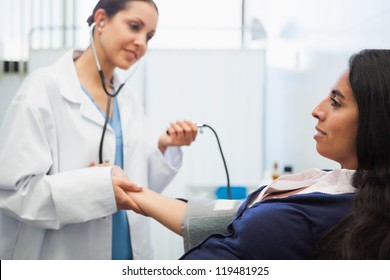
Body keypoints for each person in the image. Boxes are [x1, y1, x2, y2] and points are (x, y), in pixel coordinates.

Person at [122, 49, 390, 259]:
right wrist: (133, 194)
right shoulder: (327, 183)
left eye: (335, 102)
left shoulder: (355, 216)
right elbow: (218, 217)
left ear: (376, 121)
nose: (317, 110)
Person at [0, 0, 198, 260]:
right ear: (101, 20)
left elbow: (138, 184)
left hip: (129, 254)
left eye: (149, 36)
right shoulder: (44, 89)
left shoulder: (128, 101)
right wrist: (90, 186)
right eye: (134, 26)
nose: (141, 43)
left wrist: (163, 147)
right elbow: (14, 194)